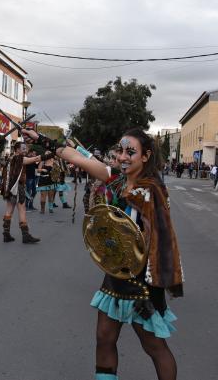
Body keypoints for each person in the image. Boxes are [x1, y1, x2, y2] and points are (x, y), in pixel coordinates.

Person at [23, 128, 183, 380]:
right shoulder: (119, 179)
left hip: (143, 283)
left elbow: (159, 242)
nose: (122, 156)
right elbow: (77, 158)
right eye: (120, 151)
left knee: (154, 347)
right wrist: (42, 140)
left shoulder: (152, 190)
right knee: (104, 338)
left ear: (146, 156)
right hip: (116, 275)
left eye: (131, 152)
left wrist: (149, 288)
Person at [1, 142, 51, 243]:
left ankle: (6, 234)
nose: (25, 150)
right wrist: (52, 154)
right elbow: (36, 159)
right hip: (17, 187)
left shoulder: (10, 158)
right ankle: (25, 235)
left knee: (9, 210)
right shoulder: (19, 158)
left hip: (9, 188)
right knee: (22, 210)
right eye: (23, 148)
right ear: (17, 149)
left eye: (25, 148)